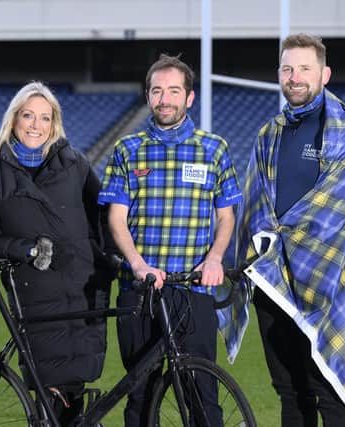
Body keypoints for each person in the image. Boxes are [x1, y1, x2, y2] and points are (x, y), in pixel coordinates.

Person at [236, 33, 345, 426]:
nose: (294, 77)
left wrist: (285, 234)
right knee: (289, 391)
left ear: (324, 74)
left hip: (328, 281)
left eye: (304, 68)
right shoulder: (268, 134)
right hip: (273, 282)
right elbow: (255, 204)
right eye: (287, 69)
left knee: (330, 391)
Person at [98, 54, 243, 427]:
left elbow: (226, 216)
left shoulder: (214, 149)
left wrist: (214, 259)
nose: (165, 98)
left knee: (201, 396)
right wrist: (138, 264)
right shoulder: (126, 150)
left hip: (192, 291)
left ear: (189, 97)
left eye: (173, 91)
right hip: (141, 289)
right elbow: (116, 218)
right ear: (148, 96)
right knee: (141, 396)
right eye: (157, 90)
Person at [0, 81, 114, 426]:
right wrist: (29, 250)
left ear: (55, 123)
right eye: (28, 116)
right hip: (36, 290)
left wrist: (107, 259)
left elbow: (103, 214)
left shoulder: (74, 163)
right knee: (49, 388)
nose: (36, 125)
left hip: (81, 286)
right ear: (14, 119)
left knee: (77, 386)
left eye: (45, 118)